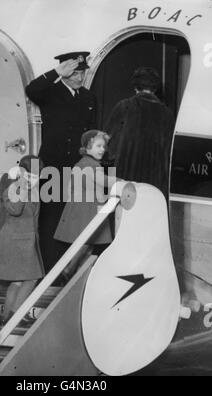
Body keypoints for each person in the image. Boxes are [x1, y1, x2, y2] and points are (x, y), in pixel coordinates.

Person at [26, 51, 97, 271]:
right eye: (74, 73)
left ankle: (66, 271)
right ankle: (49, 272)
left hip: (78, 169)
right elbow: (31, 90)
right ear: (65, 72)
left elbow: (92, 134)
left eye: (82, 73)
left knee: (74, 221)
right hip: (53, 169)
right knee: (50, 222)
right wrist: (56, 73)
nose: (79, 77)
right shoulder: (51, 92)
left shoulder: (88, 97)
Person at [0, 155, 45, 325]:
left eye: (34, 177)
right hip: (15, 241)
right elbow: (14, 209)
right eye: (27, 176)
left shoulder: (32, 189)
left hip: (26, 240)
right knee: (31, 279)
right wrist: (21, 185)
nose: (31, 180)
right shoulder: (14, 188)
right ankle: (15, 315)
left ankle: (7, 319)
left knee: (18, 281)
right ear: (21, 173)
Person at [54, 130, 116, 280]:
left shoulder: (79, 164)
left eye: (104, 146)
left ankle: (76, 276)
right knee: (88, 243)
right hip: (91, 210)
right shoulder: (96, 166)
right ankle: (70, 270)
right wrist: (122, 182)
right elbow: (101, 190)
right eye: (98, 146)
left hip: (77, 208)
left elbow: (69, 189)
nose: (102, 149)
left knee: (86, 245)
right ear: (88, 147)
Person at [105, 66, 175, 198]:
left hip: (126, 177)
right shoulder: (167, 114)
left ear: (135, 86)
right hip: (156, 182)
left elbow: (109, 145)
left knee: (125, 216)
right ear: (155, 88)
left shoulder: (125, 106)